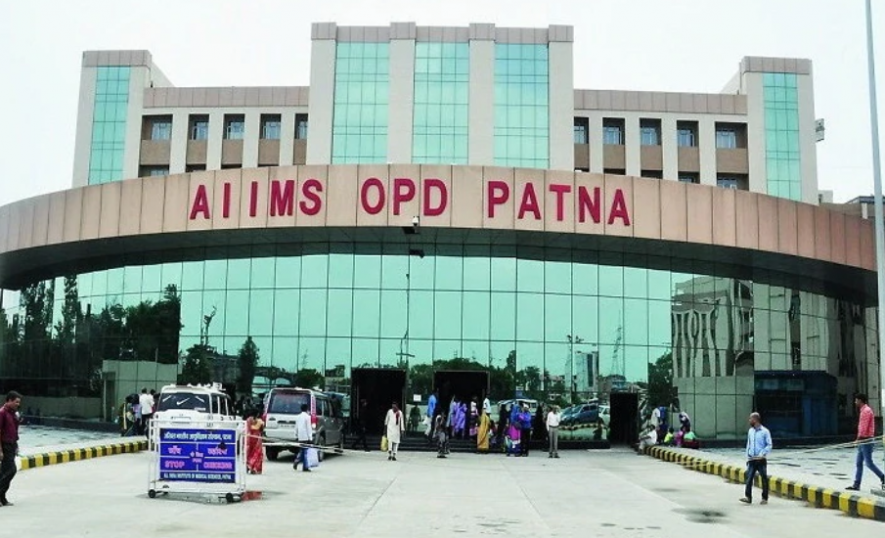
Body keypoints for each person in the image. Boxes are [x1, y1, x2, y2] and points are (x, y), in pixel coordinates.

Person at [846, 393, 884, 491]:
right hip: (863, 441)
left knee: (868, 463)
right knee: (859, 463)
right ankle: (856, 484)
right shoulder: (863, 410)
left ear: (860, 401)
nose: (855, 402)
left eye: (856, 400)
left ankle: (883, 477)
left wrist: (858, 440)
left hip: (866, 440)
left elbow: (864, 428)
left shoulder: (866, 411)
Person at [739, 412, 772, 505]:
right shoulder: (750, 431)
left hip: (761, 460)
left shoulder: (765, 431)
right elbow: (748, 445)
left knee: (764, 478)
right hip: (751, 460)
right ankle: (748, 497)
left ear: (755, 420)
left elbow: (769, 445)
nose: (749, 420)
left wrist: (762, 454)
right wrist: (747, 457)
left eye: (750, 419)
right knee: (749, 478)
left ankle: (764, 498)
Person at [0, 391, 22, 507]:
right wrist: (0, 450)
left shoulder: (13, 414)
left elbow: (14, 431)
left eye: (18, 402)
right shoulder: (2, 413)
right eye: (16, 402)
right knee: (11, 470)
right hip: (4, 445)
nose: (17, 404)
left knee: (4, 472)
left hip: (12, 445)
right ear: (9, 400)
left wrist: (16, 445)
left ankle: (2, 498)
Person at [293, 403, 312, 473]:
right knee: (305, 452)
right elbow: (309, 428)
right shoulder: (307, 417)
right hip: (306, 436)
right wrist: (310, 438)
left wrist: (296, 435)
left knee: (302, 450)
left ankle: (297, 462)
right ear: (307, 409)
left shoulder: (297, 416)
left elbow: (296, 427)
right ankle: (304, 466)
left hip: (300, 436)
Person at [245, 409, 265, 475]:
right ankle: (255, 468)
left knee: (249, 453)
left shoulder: (248, 420)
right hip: (257, 438)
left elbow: (248, 428)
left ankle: (248, 465)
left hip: (249, 437)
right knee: (257, 454)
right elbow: (261, 429)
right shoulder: (259, 421)